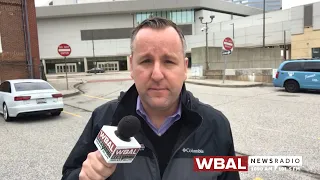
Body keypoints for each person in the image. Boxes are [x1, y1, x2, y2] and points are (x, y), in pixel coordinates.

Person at [61, 17, 240, 180]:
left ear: (185, 68)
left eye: (168, 61)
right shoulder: (103, 119)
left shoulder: (215, 125)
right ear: (131, 66)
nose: (156, 74)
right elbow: (69, 174)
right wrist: (82, 177)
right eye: (146, 61)